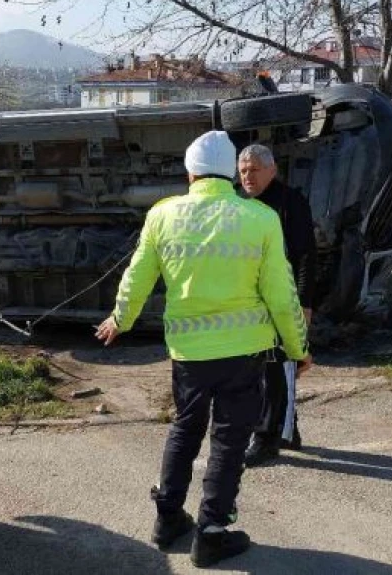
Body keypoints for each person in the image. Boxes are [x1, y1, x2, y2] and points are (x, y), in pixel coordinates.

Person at [95, 131, 311, 568]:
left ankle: (168, 519)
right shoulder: (259, 217)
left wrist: (121, 319)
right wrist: (297, 346)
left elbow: (137, 276)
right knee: (230, 441)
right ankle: (212, 531)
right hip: (243, 353)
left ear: (190, 172)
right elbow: (282, 293)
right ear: (231, 171)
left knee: (184, 429)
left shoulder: (163, 214)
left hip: (188, 354)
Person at [235, 144, 317, 466]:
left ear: (272, 170)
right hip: (251, 302)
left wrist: (305, 303)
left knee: (276, 367)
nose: (247, 176)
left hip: (284, 300)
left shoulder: (290, 203)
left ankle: (266, 438)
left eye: (254, 170)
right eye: (243, 171)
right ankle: (287, 429)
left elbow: (307, 255)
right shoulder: (240, 202)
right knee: (273, 367)